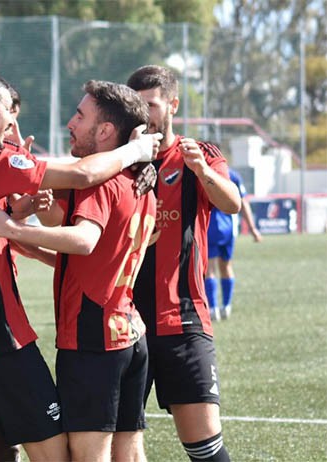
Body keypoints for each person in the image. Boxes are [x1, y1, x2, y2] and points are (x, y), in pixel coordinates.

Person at [0, 68, 160, 461]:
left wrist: (16, 215)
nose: (12, 122)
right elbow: (84, 173)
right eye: (9, 111)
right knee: (58, 454)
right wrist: (136, 152)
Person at [0, 80, 155, 462]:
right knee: (129, 451)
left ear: (105, 131)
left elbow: (86, 239)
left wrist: (12, 229)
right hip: (130, 334)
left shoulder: (100, 183)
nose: (70, 123)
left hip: (93, 338)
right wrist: (36, 245)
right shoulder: (141, 183)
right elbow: (98, 257)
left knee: (89, 456)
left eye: (80, 115)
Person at [127, 65, 241, 462]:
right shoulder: (118, 163)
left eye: (152, 105)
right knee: (120, 448)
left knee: (206, 451)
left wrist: (203, 171)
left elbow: (232, 203)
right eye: (136, 106)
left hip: (184, 321)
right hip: (124, 327)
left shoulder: (199, 154)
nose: (144, 114)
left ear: (173, 104)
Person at [206, 167, 262, 321]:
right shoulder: (232, 175)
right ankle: (226, 307)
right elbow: (243, 203)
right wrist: (253, 229)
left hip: (209, 226)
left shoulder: (201, 172)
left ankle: (212, 308)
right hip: (228, 228)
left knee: (209, 269)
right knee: (226, 266)